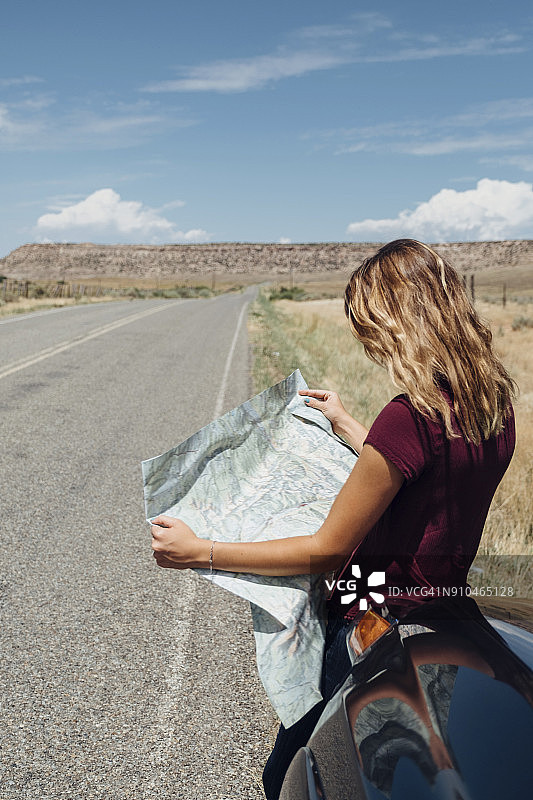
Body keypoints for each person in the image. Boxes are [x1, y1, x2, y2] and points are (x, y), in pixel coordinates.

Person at [150, 239, 516, 799]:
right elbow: (428, 485)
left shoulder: (409, 417)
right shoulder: (492, 405)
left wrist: (202, 551)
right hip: (446, 616)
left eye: (369, 325)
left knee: (296, 773)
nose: (366, 342)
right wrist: (348, 424)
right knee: (409, 770)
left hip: (372, 623)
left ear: (399, 319)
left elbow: (326, 549)